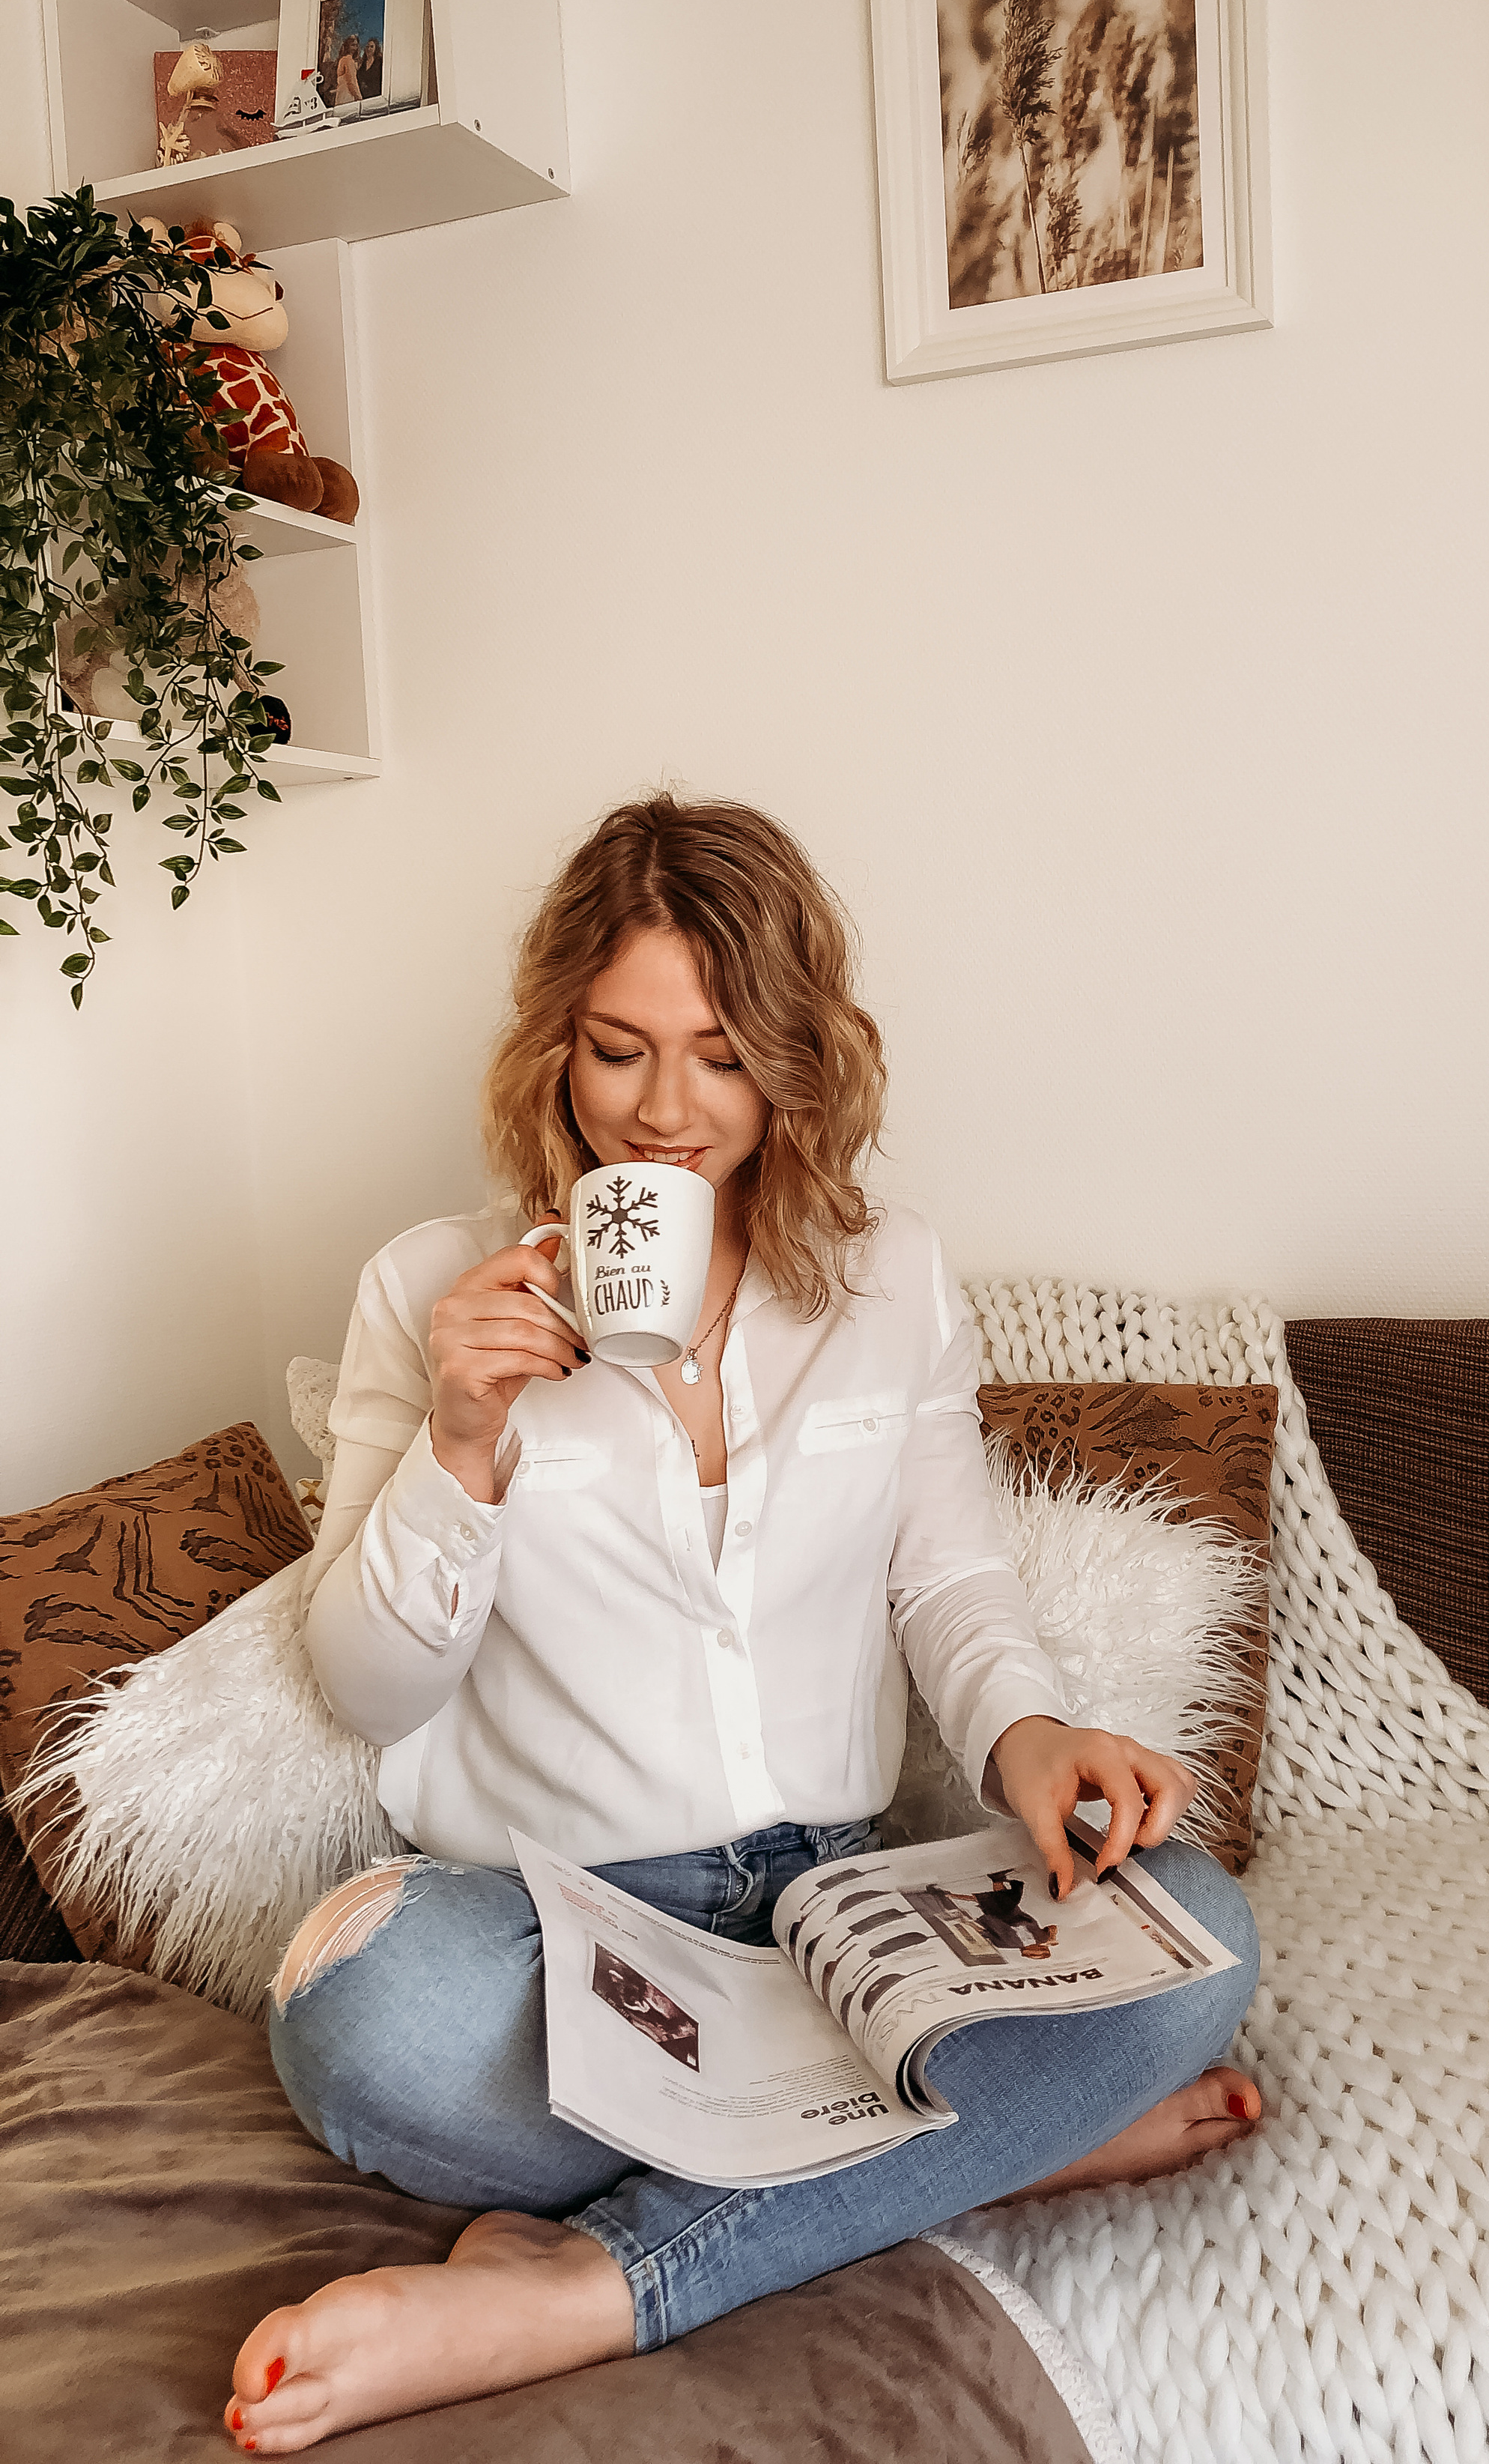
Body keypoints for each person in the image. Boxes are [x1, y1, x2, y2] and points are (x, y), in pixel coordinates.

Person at [223, 795, 1263, 2453]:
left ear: (796, 1058)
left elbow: (948, 1582)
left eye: (719, 1055)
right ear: (553, 1048)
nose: (662, 1113)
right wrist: (463, 1440)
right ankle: (985, 2143)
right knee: (364, 2020)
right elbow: (362, 1683)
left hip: (836, 1910)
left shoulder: (889, 1281)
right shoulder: (432, 1287)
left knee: (1195, 1937)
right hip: (551, 1927)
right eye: (616, 1050)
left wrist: (1027, 1736)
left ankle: (578, 2284)